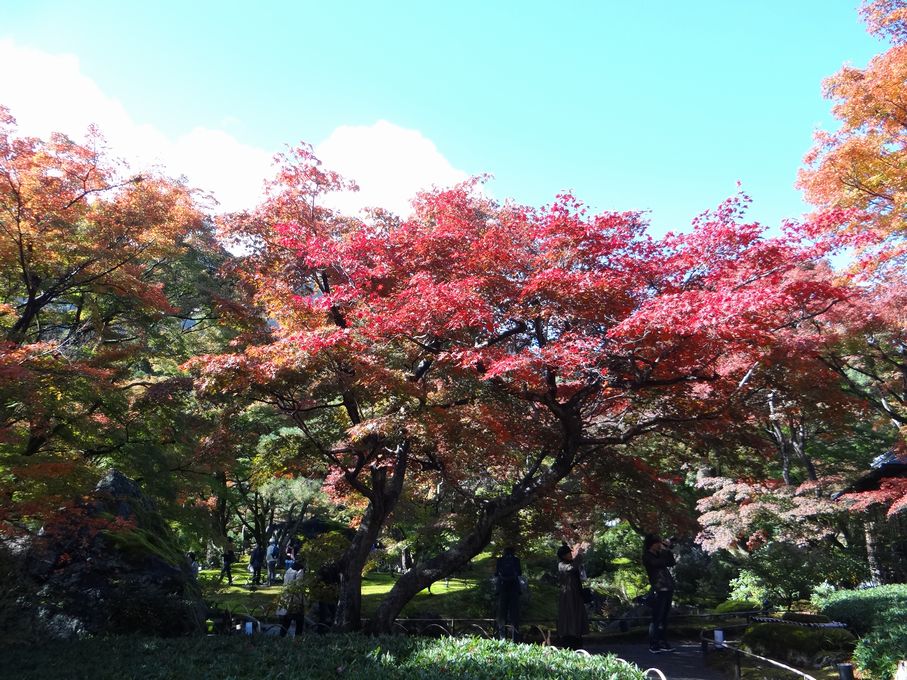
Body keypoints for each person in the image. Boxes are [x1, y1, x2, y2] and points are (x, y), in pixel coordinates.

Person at [642, 533, 676, 654]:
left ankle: (663, 642)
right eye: (657, 543)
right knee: (657, 618)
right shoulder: (647, 556)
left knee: (665, 618)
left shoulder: (661, 554)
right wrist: (664, 551)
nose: (659, 545)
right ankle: (653, 644)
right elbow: (657, 563)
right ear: (652, 544)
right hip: (658, 589)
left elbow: (671, 562)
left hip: (668, 587)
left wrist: (666, 550)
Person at [556, 544, 588, 650]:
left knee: (577, 615)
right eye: (568, 553)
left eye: (570, 553)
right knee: (568, 616)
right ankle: (568, 637)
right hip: (568, 595)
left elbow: (578, 572)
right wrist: (579, 555)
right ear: (563, 556)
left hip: (576, 594)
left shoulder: (571, 563)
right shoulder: (561, 565)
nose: (570, 554)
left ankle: (577, 637)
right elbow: (571, 568)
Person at [494, 546, 523, 641]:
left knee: (502, 613)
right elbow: (519, 572)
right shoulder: (516, 560)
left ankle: (502, 637)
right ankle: (515, 638)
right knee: (514, 614)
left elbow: (496, 573)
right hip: (513, 588)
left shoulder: (500, 560)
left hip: (503, 587)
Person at [278, 558, 306, 637]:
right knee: (299, 621)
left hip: (286, 598)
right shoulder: (300, 571)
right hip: (295, 600)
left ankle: (281, 637)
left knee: (286, 620)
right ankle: (297, 639)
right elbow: (298, 587)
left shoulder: (289, 570)